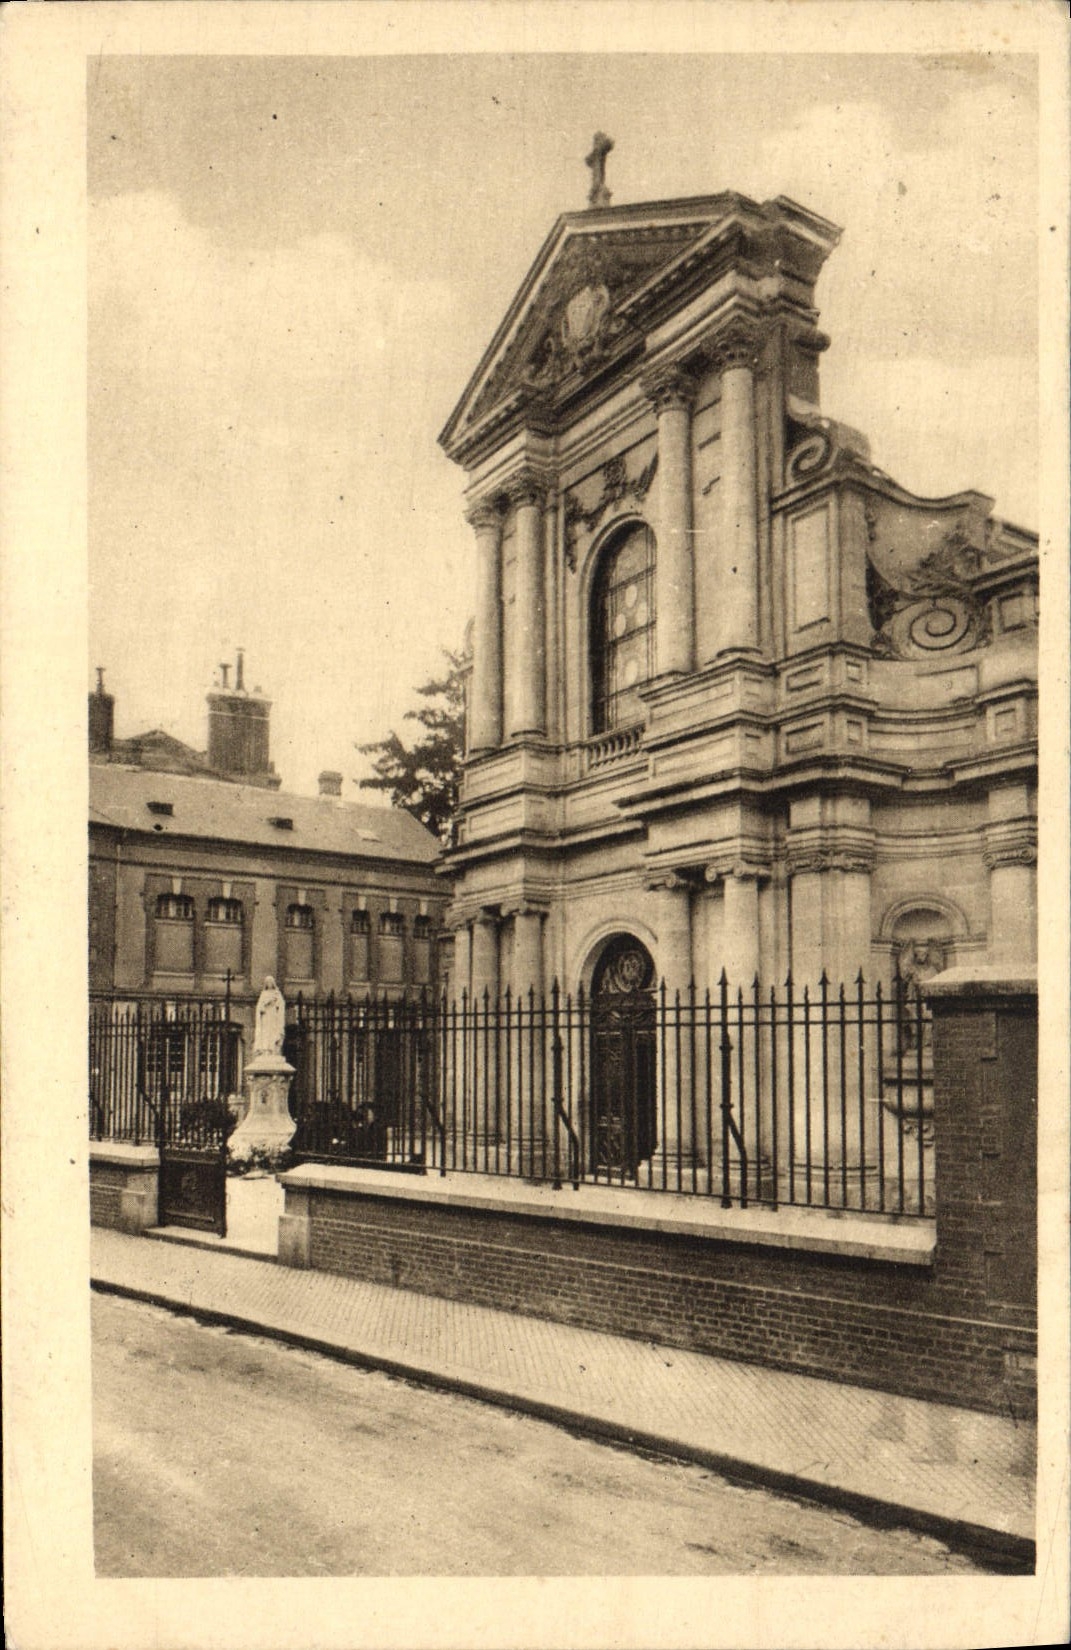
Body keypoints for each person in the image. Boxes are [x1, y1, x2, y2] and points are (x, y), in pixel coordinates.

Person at [253, 975, 286, 1057]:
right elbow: (259, 1007)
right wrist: (266, 1003)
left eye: (270, 982)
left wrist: (276, 1003)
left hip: (273, 1016)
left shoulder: (277, 993)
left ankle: (272, 1049)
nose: (269, 984)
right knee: (265, 1033)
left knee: (273, 1032)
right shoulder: (263, 994)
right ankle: (265, 1050)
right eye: (267, 983)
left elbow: (281, 1005)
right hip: (266, 1016)